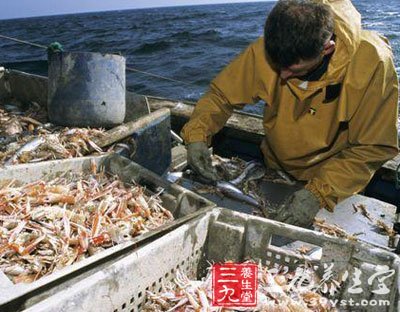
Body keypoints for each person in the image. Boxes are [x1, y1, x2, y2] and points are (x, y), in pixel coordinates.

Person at [180, 0, 399, 227]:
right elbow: (221, 96)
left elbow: (373, 146)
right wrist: (197, 135)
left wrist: (319, 192)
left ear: (327, 49)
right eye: (277, 66)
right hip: (276, 169)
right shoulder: (270, 48)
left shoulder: (373, 62)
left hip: (337, 180)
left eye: (293, 69)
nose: (282, 76)